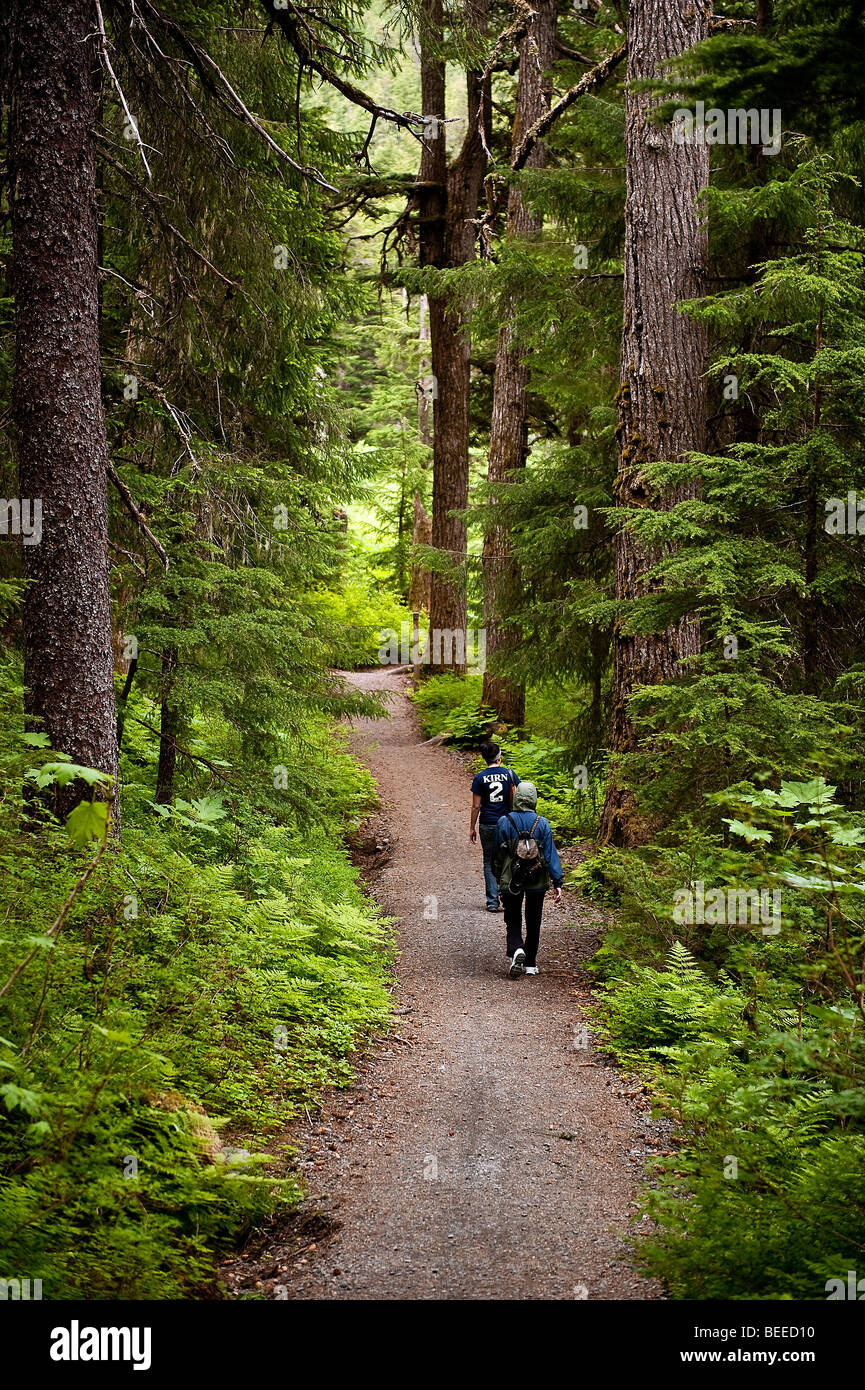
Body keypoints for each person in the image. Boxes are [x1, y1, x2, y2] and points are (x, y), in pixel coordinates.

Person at [492, 781, 563, 977]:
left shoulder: (504, 821)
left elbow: (497, 854)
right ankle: (530, 963)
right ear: (533, 799)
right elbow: (550, 855)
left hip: (511, 879)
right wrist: (557, 882)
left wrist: (498, 876)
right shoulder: (542, 823)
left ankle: (516, 949)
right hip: (537, 879)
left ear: (516, 799)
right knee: (534, 920)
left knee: (512, 917)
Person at [469, 741, 520, 912]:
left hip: (487, 823)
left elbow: (476, 806)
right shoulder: (509, 774)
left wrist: (472, 827)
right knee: (508, 859)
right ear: (499, 758)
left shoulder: (479, 778)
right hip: (508, 823)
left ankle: (492, 901)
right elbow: (518, 798)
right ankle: (508, 897)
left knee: (489, 861)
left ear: (485, 758)